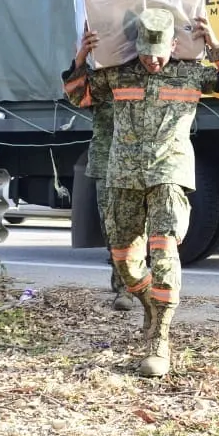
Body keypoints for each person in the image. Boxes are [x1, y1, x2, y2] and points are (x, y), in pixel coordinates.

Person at [63, 9, 219, 377]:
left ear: (174, 45)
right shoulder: (119, 76)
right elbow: (78, 96)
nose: (152, 59)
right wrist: (81, 57)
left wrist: (214, 44)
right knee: (126, 264)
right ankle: (151, 306)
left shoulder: (191, 74)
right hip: (123, 178)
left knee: (164, 254)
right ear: (137, 47)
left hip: (169, 175)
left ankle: (158, 339)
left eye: (160, 51)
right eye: (146, 52)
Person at [65, 38, 133, 310]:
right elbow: (75, 93)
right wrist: (81, 56)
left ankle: (139, 284)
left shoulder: (147, 78)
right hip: (107, 163)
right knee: (114, 228)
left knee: (141, 229)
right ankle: (124, 288)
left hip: (141, 164)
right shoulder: (103, 82)